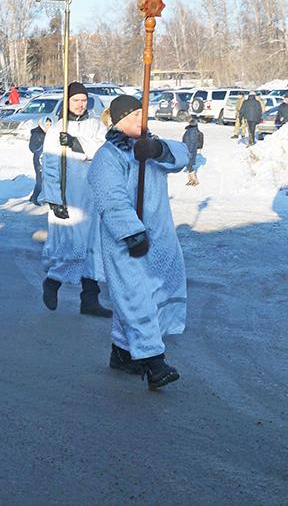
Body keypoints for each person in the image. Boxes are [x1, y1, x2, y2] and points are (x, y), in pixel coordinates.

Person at [88, 95, 189, 390]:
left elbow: (182, 156)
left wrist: (157, 149)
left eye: (143, 116)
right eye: (134, 117)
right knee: (136, 298)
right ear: (119, 121)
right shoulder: (109, 156)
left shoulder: (149, 147)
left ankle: (122, 353)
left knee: (155, 294)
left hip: (158, 236)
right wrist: (131, 232)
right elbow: (110, 198)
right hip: (127, 241)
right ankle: (154, 362)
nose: (141, 122)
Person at [40, 82, 111, 317]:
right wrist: (53, 199)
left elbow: (103, 150)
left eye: (83, 99)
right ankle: (53, 281)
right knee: (75, 246)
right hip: (69, 196)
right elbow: (49, 166)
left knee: (94, 248)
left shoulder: (95, 126)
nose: (80, 104)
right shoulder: (57, 129)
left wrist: (76, 143)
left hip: (92, 194)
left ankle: (90, 299)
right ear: (67, 102)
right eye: (75, 100)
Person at [28, 117, 52, 206]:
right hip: (39, 159)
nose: (48, 126)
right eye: (47, 124)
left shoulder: (49, 134)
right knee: (40, 180)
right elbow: (32, 147)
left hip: (46, 159)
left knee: (45, 179)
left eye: (50, 124)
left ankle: (34, 197)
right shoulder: (37, 133)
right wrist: (40, 149)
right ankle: (35, 198)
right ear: (41, 124)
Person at [182, 117, 204, 186]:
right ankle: (191, 180)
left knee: (189, 166)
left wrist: (189, 152)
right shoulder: (191, 130)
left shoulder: (192, 131)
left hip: (190, 151)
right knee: (188, 166)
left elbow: (192, 143)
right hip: (188, 150)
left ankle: (195, 180)